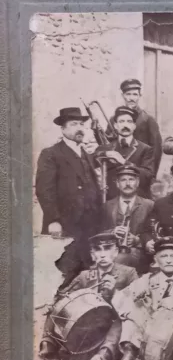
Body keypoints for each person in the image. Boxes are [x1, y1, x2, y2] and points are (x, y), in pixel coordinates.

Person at [35, 232, 138, 360]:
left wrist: (115, 293)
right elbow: (64, 294)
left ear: (116, 252)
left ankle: (105, 355)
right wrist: (52, 304)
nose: (102, 255)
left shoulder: (128, 273)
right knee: (57, 308)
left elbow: (136, 303)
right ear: (92, 254)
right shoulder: (84, 276)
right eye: (98, 250)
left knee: (120, 320)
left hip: (111, 328)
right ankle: (47, 351)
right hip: (86, 329)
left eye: (107, 248)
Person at [35, 107, 102, 289]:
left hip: (89, 225)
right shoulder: (51, 154)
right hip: (66, 224)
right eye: (73, 124)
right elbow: (44, 190)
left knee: (87, 273)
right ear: (63, 129)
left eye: (81, 124)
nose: (79, 128)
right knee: (64, 274)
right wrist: (53, 220)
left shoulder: (87, 155)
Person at [100, 165, 154, 271]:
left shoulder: (149, 205)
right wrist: (112, 232)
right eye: (123, 180)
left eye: (131, 180)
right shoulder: (107, 206)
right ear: (117, 184)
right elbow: (98, 232)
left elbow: (154, 233)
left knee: (119, 259)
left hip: (139, 254)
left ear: (137, 182)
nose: (128, 184)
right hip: (111, 251)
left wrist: (137, 240)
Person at [95, 106, 155, 199]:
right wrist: (105, 154)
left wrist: (123, 161)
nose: (125, 125)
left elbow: (147, 177)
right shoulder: (105, 148)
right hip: (110, 201)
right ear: (115, 125)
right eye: (121, 121)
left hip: (136, 201)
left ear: (134, 126)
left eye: (129, 121)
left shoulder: (145, 149)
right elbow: (92, 161)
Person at [116, 79, 163, 173]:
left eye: (135, 94)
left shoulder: (148, 119)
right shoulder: (115, 119)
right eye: (128, 94)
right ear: (122, 96)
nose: (131, 98)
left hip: (141, 169)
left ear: (139, 96)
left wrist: (151, 175)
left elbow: (156, 150)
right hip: (118, 169)